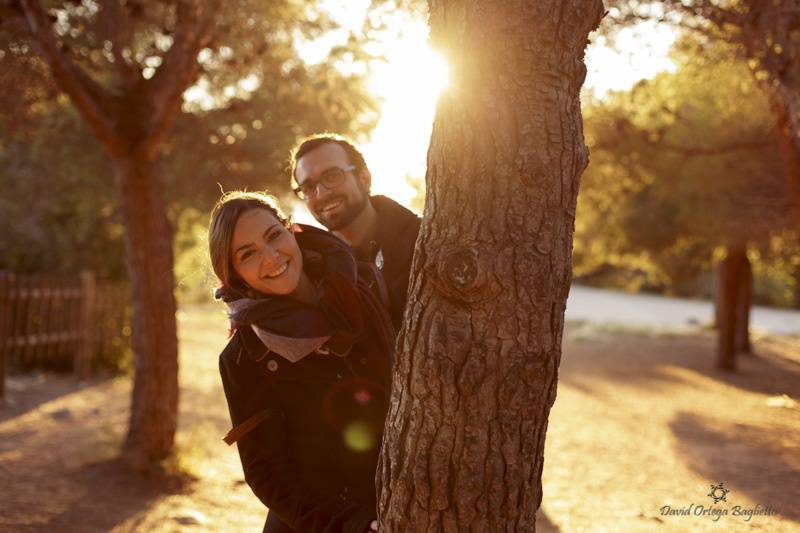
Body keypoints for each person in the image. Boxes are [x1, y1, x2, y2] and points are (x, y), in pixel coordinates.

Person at [209, 190, 394, 533]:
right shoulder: (243, 358)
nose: (270, 257)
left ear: (290, 229)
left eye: (273, 235)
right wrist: (353, 525)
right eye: (248, 254)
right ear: (235, 275)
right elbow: (267, 475)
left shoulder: (364, 287)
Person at [290, 135, 421, 331]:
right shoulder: (314, 272)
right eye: (308, 187)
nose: (322, 193)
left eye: (333, 176)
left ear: (364, 178)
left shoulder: (424, 240)